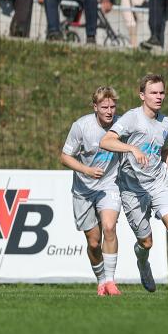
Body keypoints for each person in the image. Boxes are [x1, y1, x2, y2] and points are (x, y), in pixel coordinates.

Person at [100, 74, 168, 297]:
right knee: (146, 242)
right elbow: (106, 141)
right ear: (142, 95)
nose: (158, 96)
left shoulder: (166, 122)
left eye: (161, 92)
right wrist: (132, 149)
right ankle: (143, 261)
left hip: (158, 182)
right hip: (132, 188)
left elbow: (163, 152)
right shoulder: (132, 119)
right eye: (153, 92)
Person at [60, 86, 123, 296]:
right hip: (84, 189)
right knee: (94, 242)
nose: (109, 111)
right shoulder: (81, 126)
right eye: (104, 107)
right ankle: (101, 280)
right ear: (95, 107)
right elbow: (65, 157)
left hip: (109, 185)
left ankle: (111, 281)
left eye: (112, 106)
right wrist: (86, 170)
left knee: (109, 226)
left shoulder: (122, 125)